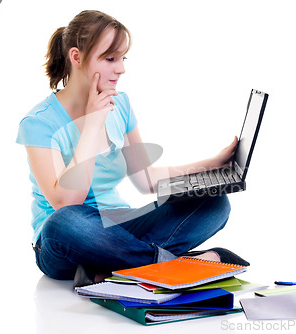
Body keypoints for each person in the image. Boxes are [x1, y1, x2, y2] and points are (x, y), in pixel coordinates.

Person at [16, 10, 248, 285]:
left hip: (118, 229)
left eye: (122, 58)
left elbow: (146, 179)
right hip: (63, 241)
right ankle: (174, 267)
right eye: (110, 58)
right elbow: (67, 203)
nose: (121, 69)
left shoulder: (121, 104)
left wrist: (212, 164)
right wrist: (92, 124)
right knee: (63, 222)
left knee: (214, 202)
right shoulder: (39, 123)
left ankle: (115, 268)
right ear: (76, 57)